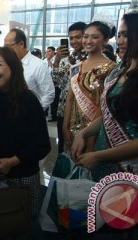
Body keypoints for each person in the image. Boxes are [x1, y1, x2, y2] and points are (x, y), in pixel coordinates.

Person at [71, 8, 138, 240]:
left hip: (129, 168)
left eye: (127, 35)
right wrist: (84, 133)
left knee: (123, 226)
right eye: (119, 34)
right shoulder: (121, 70)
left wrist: (99, 156)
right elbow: (109, 113)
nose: (120, 40)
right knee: (99, 223)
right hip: (103, 161)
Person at [0, 46, 51, 238]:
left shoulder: (29, 100)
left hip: (23, 177)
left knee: (22, 224)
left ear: (13, 67)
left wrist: (13, 161)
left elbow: (42, 144)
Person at [63, 21, 116, 153]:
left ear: (105, 40)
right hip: (73, 127)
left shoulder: (112, 69)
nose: (88, 41)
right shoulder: (76, 68)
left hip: (97, 130)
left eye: (95, 37)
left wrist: (92, 138)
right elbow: (70, 99)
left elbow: (104, 106)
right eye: (86, 36)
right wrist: (65, 127)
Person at [52, 21, 87, 153]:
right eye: (71, 38)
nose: (74, 41)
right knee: (63, 146)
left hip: (80, 112)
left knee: (78, 149)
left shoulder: (89, 58)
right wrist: (57, 60)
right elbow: (57, 82)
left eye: (78, 37)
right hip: (62, 109)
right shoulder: (67, 58)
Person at [4, 28, 55, 112]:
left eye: (8, 47)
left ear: (21, 44)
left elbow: (49, 94)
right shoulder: (8, 64)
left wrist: (34, 112)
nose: (5, 51)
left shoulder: (38, 65)